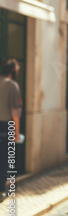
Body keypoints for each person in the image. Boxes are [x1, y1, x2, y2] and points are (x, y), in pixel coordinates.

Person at [0, 59, 22, 202]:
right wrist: (16, 131)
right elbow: (15, 111)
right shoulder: (12, 85)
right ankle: (2, 189)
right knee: (4, 159)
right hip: (5, 126)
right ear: (12, 71)